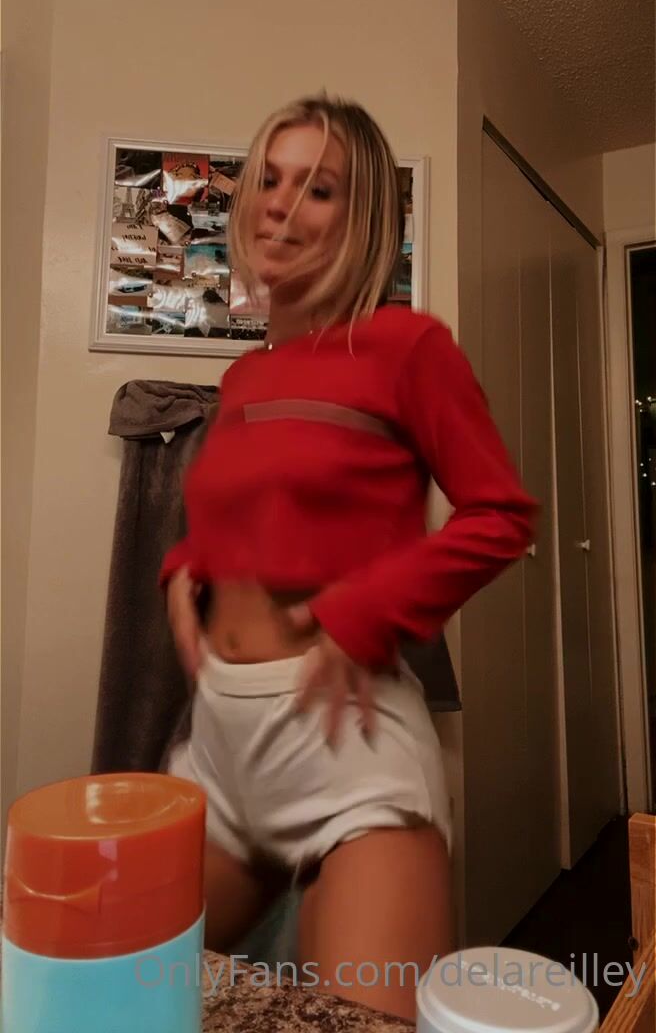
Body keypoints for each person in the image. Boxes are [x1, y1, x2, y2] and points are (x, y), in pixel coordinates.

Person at [161, 94, 538, 1019]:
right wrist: (182, 574)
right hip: (218, 745)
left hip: (346, 748)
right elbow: (239, 522)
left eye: (318, 188)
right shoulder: (245, 376)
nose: (279, 203)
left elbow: (501, 514)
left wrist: (361, 612)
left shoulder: (409, 346)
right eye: (270, 178)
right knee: (116, 992)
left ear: (363, 218)